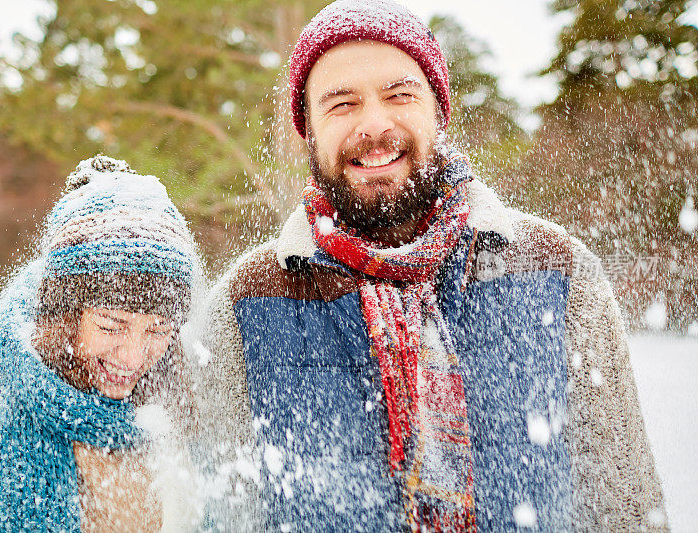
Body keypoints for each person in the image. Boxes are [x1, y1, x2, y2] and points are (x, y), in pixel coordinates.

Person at [199, 1, 668, 531]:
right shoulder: (248, 297)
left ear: (439, 112)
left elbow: (625, 505)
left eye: (400, 95)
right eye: (342, 104)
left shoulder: (557, 268)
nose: (374, 124)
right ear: (307, 129)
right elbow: (215, 512)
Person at [0, 156, 202, 531]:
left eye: (158, 331)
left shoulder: (172, 418)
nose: (135, 356)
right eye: (111, 325)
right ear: (65, 316)